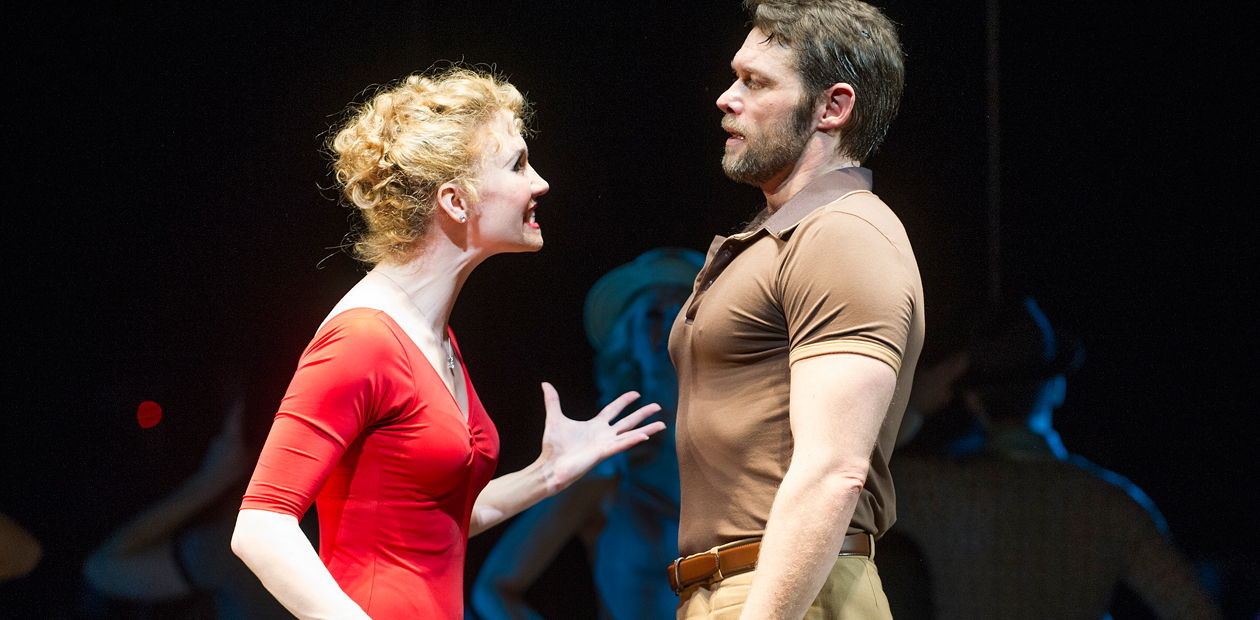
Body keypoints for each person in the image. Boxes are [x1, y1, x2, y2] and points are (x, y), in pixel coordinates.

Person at [230, 67, 665, 620]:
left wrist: (545, 474)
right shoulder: (361, 339)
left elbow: (435, 521)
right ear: (456, 201)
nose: (541, 183)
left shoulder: (434, 335)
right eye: (518, 165)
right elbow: (261, 526)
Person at [666, 2, 923, 619]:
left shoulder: (843, 235)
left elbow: (835, 470)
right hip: (739, 590)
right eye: (735, 77)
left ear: (833, 108)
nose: (727, 98)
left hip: (793, 591)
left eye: (756, 83)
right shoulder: (785, 234)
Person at [891, 297, 1223, 620]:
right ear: (1056, 388)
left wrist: (913, 405)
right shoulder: (1113, 504)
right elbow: (1194, 609)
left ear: (972, 400)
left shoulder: (932, 489)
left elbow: (853, 478)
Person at [471, 247, 703, 620]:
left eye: (683, 311)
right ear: (628, 340)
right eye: (654, 314)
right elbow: (494, 589)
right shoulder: (607, 470)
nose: (669, 326)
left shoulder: (737, 453)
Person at [85, 403, 296, 619]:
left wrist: (211, 479)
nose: (216, 442)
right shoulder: (300, 525)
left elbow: (104, 568)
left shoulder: (246, 544)